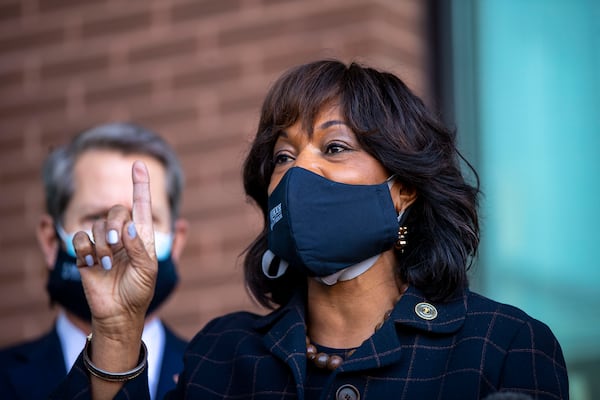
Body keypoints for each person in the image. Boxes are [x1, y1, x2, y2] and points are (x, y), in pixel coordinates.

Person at [50, 60, 568, 399]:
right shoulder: (223, 355)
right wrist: (118, 331)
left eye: (334, 148)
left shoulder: (502, 346)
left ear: (403, 188)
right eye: (283, 156)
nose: (300, 173)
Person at [0, 123, 189, 400]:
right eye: (99, 219)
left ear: (177, 242)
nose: (123, 238)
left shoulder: (218, 379)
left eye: (142, 219)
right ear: (51, 240)